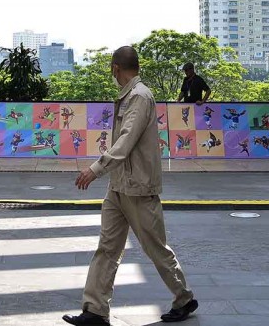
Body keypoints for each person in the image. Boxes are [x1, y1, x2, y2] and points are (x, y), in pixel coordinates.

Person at [65, 46, 197, 325]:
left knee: (155, 247)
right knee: (107, 247)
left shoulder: (139, 97)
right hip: (118, 186)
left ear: (115, 69)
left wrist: (95, 168)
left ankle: (184, 298)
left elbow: (126, 140)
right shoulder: (128, 96)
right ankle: (95, 309)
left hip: (138, 187)